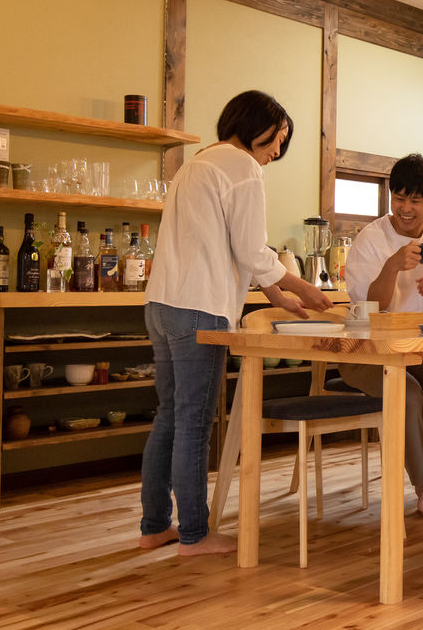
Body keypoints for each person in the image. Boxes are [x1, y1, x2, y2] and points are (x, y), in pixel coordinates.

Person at [140, 90, 333, 556]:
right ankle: (194, 534)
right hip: (199, 309)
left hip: (161, 305)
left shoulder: (198, 163)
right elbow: (251, 249)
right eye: (277, 140)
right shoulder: (243, 167)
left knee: (169, 416)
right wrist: (303, 286)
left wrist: (276, 294)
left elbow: (232, 249)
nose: (275, 153)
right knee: (193, 422)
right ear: (255, 127)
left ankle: (154, 527)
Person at [337, 153, 423, 520]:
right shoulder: (371, 238)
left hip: (417, 347)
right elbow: (369, 309)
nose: (405, 209)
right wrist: (393, 264)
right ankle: (421, 485)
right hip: (365, 350)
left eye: (415, 200)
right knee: (406, 390)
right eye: (399, 198)